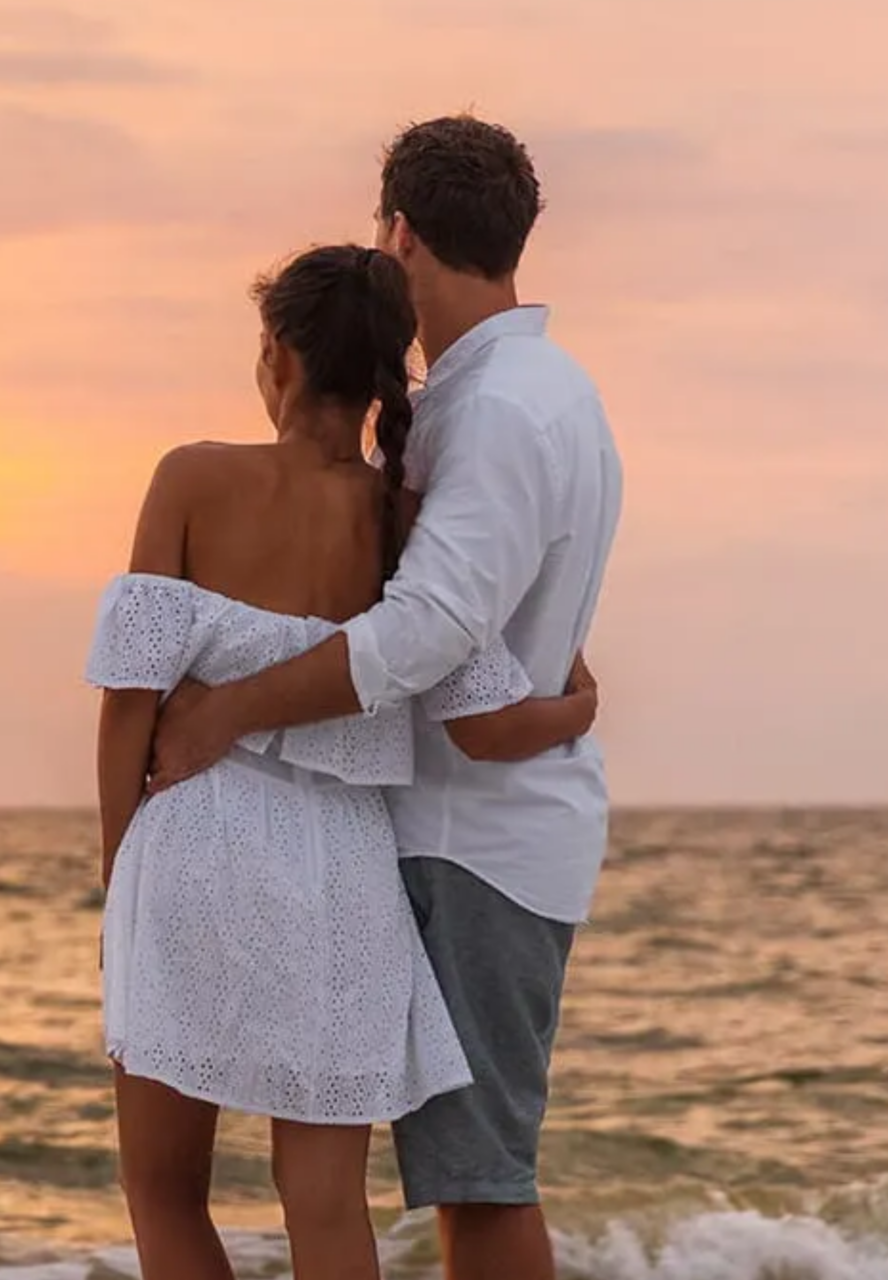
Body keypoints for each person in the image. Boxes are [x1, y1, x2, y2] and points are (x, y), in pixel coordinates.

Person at [144, 117, 624, 1280]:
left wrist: (229, 706)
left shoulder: (498, 409)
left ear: (399, 234)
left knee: (479, 1182)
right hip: (474, 826)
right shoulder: (528, 391)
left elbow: (426, 631)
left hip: (478, 846)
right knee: (453, 1180)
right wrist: (565, 707)